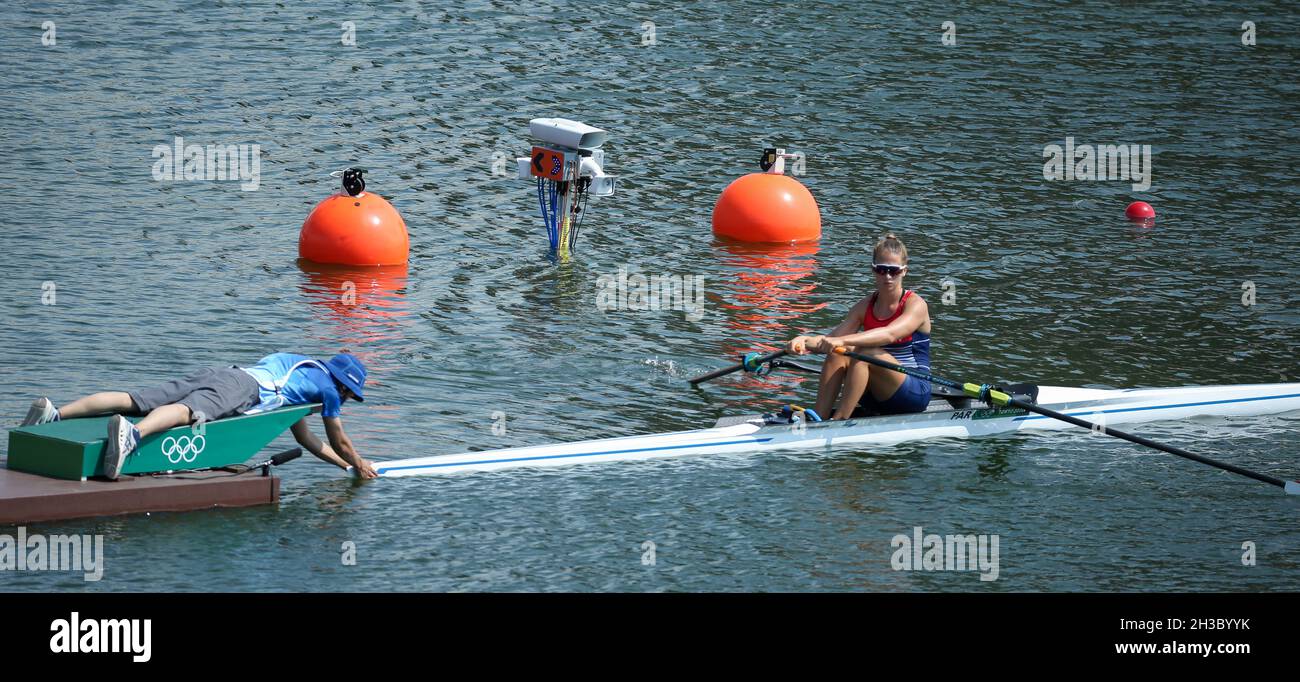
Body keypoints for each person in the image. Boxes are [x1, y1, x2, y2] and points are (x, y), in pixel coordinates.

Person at [20, 352, 379, 480]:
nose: (347, 401)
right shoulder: (330, 391)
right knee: (190, 412)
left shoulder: (304, 373)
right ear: (343, 386)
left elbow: (306, 439)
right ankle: (131, 437)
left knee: (135, 398)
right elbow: (338, 439)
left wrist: (347, 468)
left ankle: (54, 415)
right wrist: (360, 462)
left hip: (224, 371)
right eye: (350, 394)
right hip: (242, 387)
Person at [787, 233, 932, 420]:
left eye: (893, 271)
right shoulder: (864, 306)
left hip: (913, 393)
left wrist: (840, 341)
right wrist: (803, 341)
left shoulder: (916, 305)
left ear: (904, 271)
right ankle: (820, 417)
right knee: (837, 352)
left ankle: (839, 421)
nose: (887, 276)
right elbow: (830, 340)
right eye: (881, 270)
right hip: (873, 394)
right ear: (873, 270)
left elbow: (889, 334)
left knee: (862, 351)